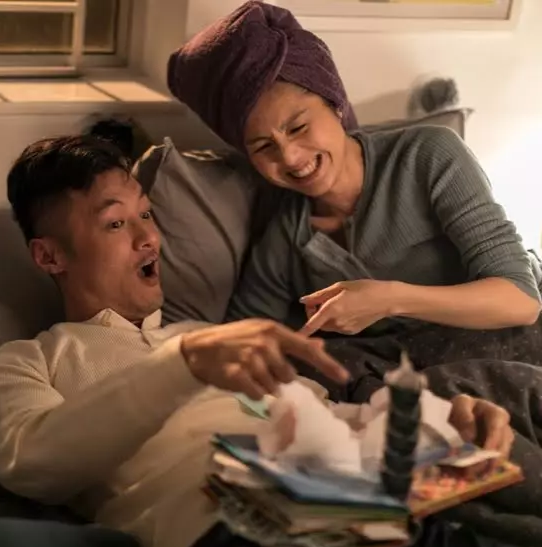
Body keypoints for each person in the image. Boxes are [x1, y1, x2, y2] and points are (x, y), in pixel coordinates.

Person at [0, 134, 534, 547]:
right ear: (49, 256)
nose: (148, 237)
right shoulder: (28, 361)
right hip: (238, 531)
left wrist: (441, 427)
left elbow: (332, 417)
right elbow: (31, 464)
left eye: (146, 213)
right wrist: (180, 367)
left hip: (367, 503)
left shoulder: (201, 336)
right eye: (115, 223)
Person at [167, 0, 542, 338]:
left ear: (335, 103)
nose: (291, 157)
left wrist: (390, 299)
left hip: (511, 340)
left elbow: (521, 300)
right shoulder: (286, 235)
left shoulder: (427, 155)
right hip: (405, 375)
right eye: (264, 146)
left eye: (298, 127)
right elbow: (242, 336)